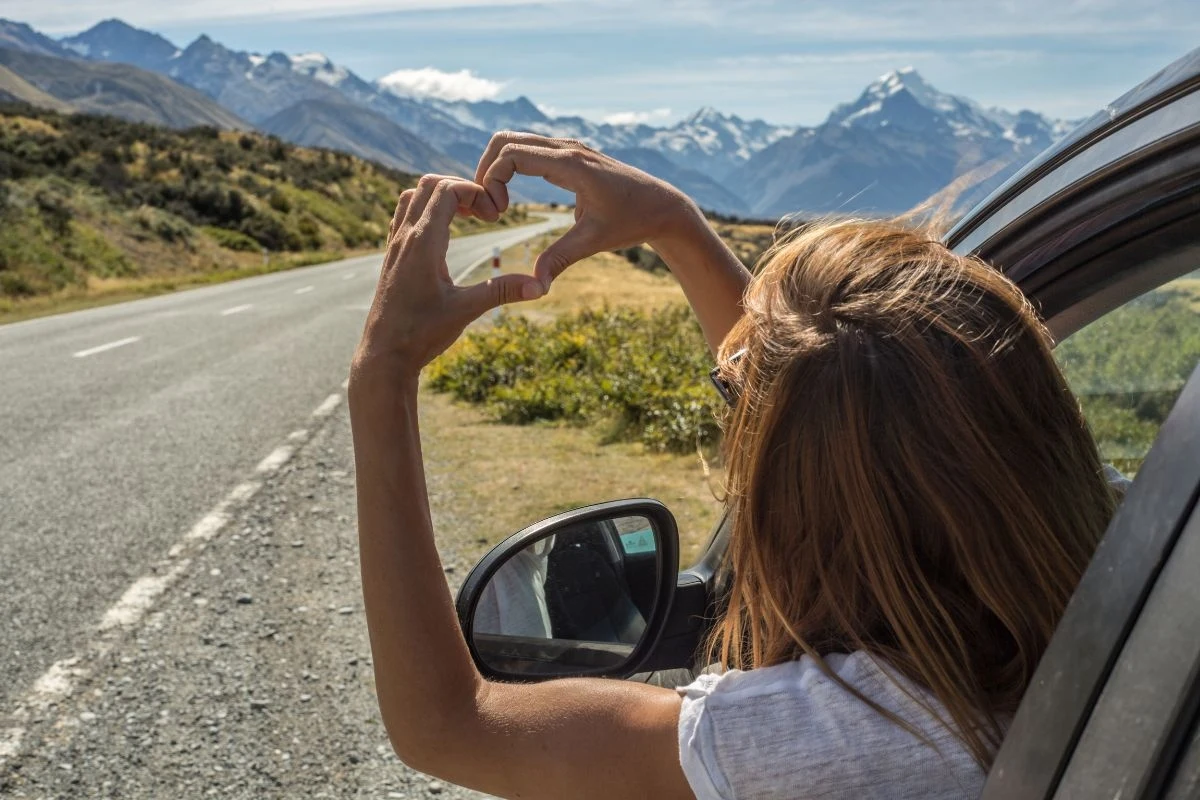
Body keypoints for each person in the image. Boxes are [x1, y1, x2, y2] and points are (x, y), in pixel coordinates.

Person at [347, 133, 1118, 800]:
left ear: (806, 507)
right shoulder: (1132, 561)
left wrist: (382, 374)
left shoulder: (821, 739)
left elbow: (449, 725)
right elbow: (837, 410)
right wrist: (673, 225)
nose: (737, 415)